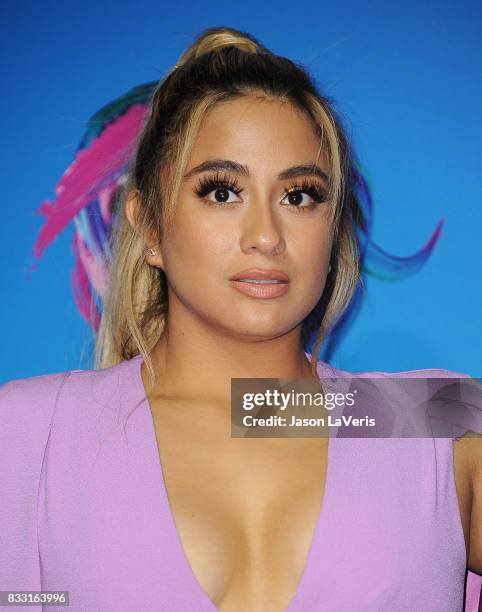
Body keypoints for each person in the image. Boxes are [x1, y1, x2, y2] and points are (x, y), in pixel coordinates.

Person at [1, 26, 481, 612]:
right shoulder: (32, 434)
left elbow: (283, 412)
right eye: (222, 191)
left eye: (299, 196)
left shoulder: (434, 418)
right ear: (149, 225)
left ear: (333, 229)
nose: (265, 237)